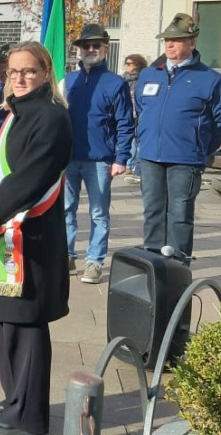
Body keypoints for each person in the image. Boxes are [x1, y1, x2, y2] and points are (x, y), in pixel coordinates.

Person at [0, 41, 72, 435]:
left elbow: (30, 178)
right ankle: (15, 401)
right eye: (14, 72)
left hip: (32, 239)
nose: (21, 78)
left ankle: (28, 419)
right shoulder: (13, 114)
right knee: (6, 324)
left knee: (25, 328)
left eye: (29, 71)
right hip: (6, 234)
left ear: (45, 73)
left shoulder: (52, 118)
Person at [134, 13, 221, 260]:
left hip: (185, 158)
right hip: (150, 155)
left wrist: (199, 146)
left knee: (180, 214)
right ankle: (153, 263)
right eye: (166, 40)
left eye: (176, 40)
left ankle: (178, 266)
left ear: (192, 42)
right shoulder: (149, 74)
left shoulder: (210, 79)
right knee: (153, 212)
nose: (169, 44)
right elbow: (141, 108)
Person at [61, 24, 134, 285]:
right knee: (65, 210)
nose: (90, 49)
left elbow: (125, 123)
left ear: (105, 49)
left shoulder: (116, 83)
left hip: (100, 160)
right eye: (85, 45)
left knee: (98, 213)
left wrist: (121, 158)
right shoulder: (68, 81)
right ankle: (67, 255)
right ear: (79, 50)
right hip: (68, 157)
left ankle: (94, 261)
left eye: (95, 45)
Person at [121, 54, 148, 179]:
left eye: (129, 64)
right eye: (126, 63)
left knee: (139, 140)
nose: (126, 66)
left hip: (139, 113)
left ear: (137, 65)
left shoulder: (143, 79)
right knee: (130, 139)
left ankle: (136, 167)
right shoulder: (123, 79)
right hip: (126, 113)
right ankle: (128, 164)